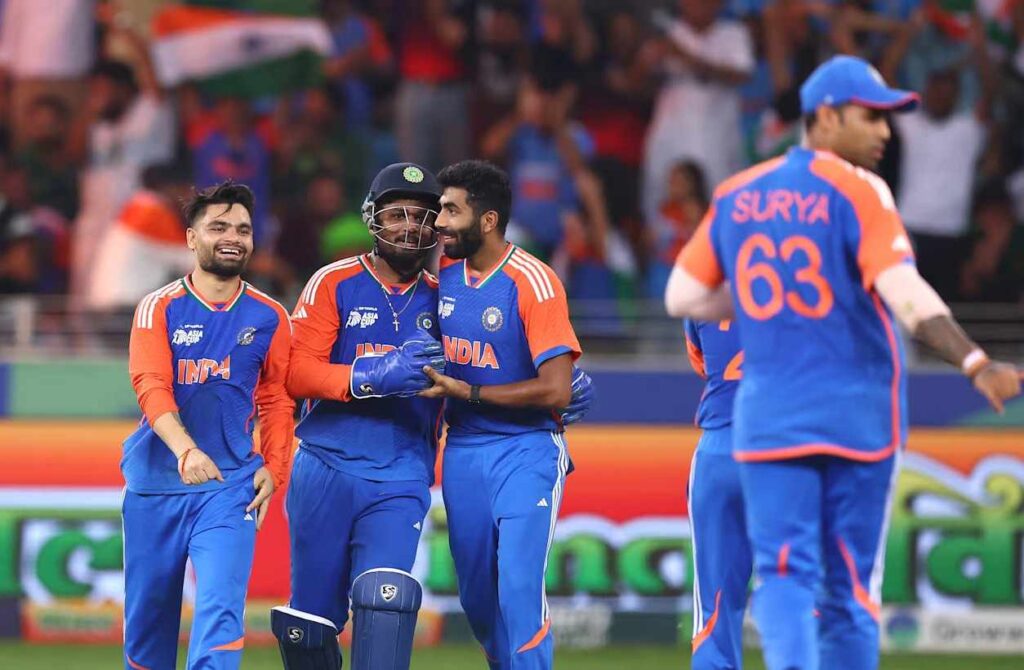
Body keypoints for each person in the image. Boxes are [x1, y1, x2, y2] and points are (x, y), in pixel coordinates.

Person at [665, 55, 1021, 670]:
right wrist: (974, 360)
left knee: (778, 581)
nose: (886, 131)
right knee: (848, 591)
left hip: (762, 424)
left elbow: (681, 297)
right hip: (852, 422)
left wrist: (754, 292)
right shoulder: (859, 189)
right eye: (872, 117)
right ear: (825, 117)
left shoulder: (738, 196)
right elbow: (904, 292)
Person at [271, 162, 446, 670]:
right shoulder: (334, 282)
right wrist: (369, 376)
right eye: (397, 215)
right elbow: (296, 372)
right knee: (310, 624)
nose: (410, 227)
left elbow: (482, 365)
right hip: (325, 466)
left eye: (422, 216)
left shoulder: (446, 297)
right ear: (373, 218)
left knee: (385, 601)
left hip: (401, 471)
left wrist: (543, 394)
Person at [420, 159, 594, 670]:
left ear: (488, 220)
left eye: (451, 211)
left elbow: (557, 390)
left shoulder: (534, 281)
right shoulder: (444, 275)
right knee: (477, 598)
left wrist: (471, 391)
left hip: (527, 450)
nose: (439, 223)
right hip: (463, 451)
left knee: (519, 585)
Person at [122, 181, 294, 670]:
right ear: (191, 238)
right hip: (156, 485)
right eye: (218, 227)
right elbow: (151, 385)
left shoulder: (271, 316)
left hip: (229, 484)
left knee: (220, 609)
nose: (233, 237)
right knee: (148, 627)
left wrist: (275, 469)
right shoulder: (158, 307)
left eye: (243, 229)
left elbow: (278, 399)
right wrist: (185, 450)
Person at [683, 319, 751, 669]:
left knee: (715, 606)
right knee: (802, 588)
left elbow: (702, 362)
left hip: (718, 448)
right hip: (785, 448)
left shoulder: (702, 296)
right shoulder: (803, 290)